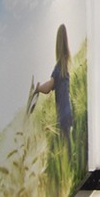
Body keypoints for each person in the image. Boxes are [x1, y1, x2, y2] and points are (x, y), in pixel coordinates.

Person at [36, 24, 74, 152]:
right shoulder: (65, 68)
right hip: (68, 112)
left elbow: (48, 88)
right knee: (68, 146)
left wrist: (38, 88)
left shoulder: (58, 69)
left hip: (62, 115)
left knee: (65, 148)